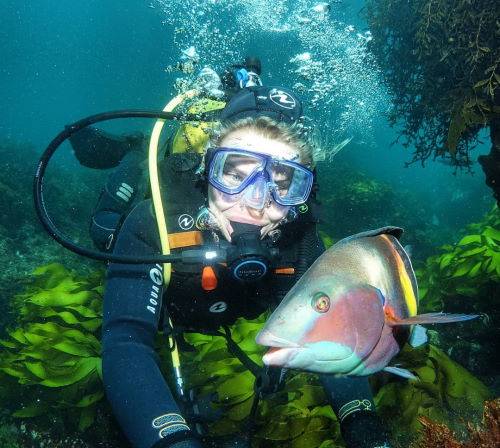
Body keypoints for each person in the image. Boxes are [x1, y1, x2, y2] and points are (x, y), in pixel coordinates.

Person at [70, 57, 394, 448]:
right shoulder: (153, 224)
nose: (255, 203)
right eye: (234, 175)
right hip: (164, 276)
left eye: (282, 184)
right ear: (206, 171)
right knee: (106, 231)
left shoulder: (301, 241)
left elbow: (338, 334)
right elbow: (125, 340)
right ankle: (132, 151)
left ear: (301, 197)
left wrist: (361, 420)